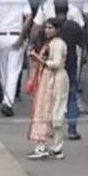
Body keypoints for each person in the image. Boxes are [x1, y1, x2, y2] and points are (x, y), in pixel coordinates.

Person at [27, 18, 69, 159]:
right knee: (48, 112)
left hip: (56, 80)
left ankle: (54, 147)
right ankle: (52, 147)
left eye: (50, 28)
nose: (47, 30)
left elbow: (56, 64)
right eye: (46, 28)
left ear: (57, 30)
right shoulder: (50, 43)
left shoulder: (58, 44)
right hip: (49, 79)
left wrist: (38, 59)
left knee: (55, 113)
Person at [0, 0, 32, 115]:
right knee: (13, 70)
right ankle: (8, 102)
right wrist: (22, 36)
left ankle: (5, 96)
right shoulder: (23, 0)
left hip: (0, 36)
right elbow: (28, 18)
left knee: (3, 69)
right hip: (16, 34)